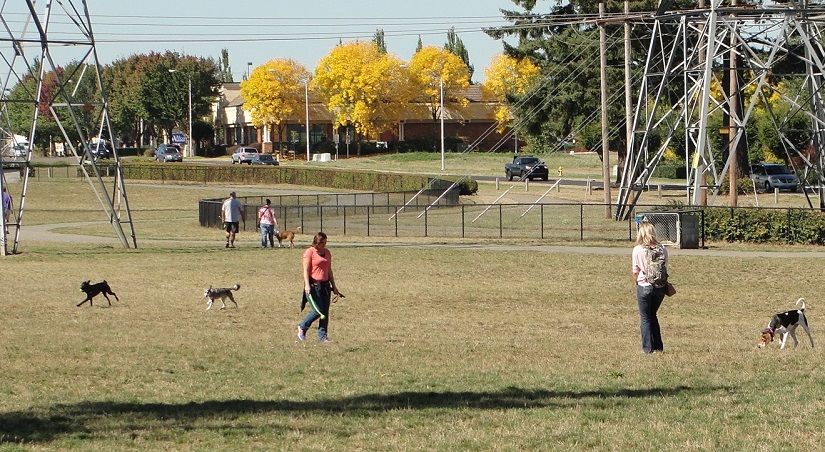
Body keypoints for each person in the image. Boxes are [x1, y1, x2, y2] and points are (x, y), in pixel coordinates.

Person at [297, 232, 341, 344]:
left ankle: (323, 337)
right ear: (317, 242)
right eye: (322, 243)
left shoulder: (327, 252)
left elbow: (329, 270)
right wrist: (307, 284)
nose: (324, 245)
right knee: (318, 311)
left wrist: (334, 286)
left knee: (325, 313)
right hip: (314, 286)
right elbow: (306, 270)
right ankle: (302, 326)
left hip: (325, 286)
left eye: (325, 242)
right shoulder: (309, 252)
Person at [632, 221, 669, 354]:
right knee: (653, 315)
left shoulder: (638, 249)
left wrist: (637, 282)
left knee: (645, 317)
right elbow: (665, 266)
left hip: (644, 286)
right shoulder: (662, 248)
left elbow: (635, 270)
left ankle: (647, 348)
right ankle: (658, 346)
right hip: (660, 287)